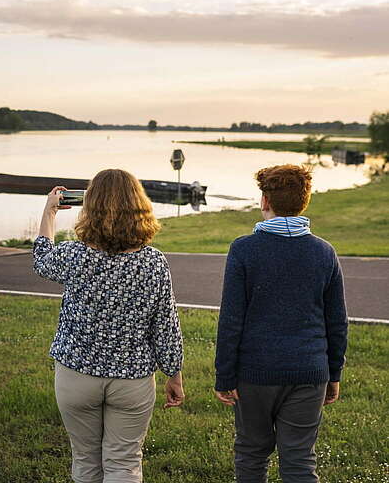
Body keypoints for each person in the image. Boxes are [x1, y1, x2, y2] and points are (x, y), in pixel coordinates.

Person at [33, 168, 185, 483]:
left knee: (86, 462)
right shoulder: (153, 262)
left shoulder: (75, 255)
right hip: (132, 380)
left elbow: (41, 260)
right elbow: (166, 325)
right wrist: (174, 374)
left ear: (90, 206)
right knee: (124, 464)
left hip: (77, 374)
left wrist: (49, 211)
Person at [214, 164, 348, 483]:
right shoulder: (324, 252)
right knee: (300, 460)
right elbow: (337, 321)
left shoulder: (244, 249)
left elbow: (231, 318)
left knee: (251, 453)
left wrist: (225, 375)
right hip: (309, 370)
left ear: (264, 201)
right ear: (304, 202)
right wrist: (334, 373)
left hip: (254, 372)